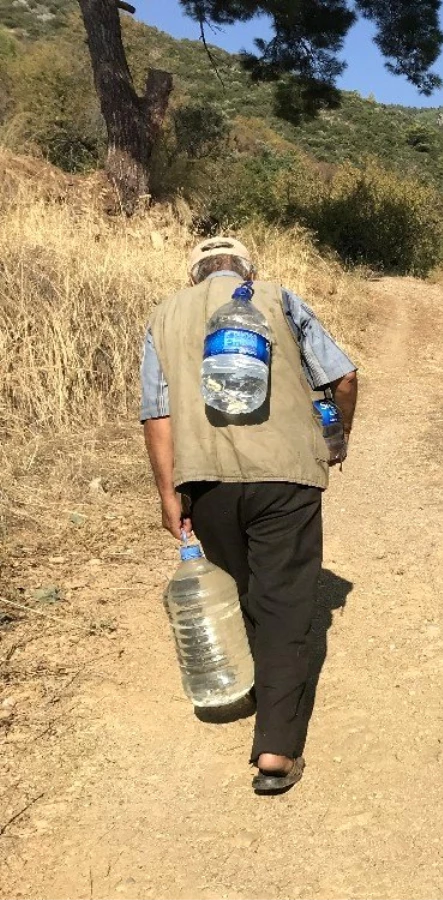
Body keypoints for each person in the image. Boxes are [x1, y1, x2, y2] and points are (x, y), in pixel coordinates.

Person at [139, 236, 358, 794]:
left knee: (239, 590)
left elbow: (157, 415)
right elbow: (344, 377)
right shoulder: (279, 298)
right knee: (284, 605)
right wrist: (339, 434)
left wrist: (169, 496)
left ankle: (254, 687)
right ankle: (276, 750)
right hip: (287, 475)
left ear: (195, 278)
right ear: (246, 271)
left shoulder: (165, 316)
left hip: (205, 480)